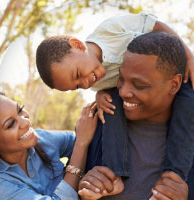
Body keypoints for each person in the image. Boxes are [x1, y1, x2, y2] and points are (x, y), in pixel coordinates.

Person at [36, 12, 194, 183]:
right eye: (78, 86)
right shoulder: (96, 82)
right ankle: (113, 173)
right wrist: (100, 94)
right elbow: (112, 88)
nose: (86, 83)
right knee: (110, 109)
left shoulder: (109, 30)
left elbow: (156, 25)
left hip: (173, 69)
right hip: (130, 94)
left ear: (78, 45)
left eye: (78, 74)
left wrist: (189, 57)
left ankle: (174, 175)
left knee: (187, 108)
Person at [79, 31, 190, 199]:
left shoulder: (187, 140)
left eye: (139, 85)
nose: (123, 92)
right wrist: (84, 188)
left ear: (174, 84)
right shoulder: (96, 123)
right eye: (121, 79)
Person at [0, 88, 102, 200]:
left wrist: (102, 97)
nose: (26, 122)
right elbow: (81, 142)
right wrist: (81, 145)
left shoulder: (42, 139)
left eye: (20, 110)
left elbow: (86, 139)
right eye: (11, 124)